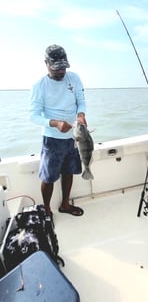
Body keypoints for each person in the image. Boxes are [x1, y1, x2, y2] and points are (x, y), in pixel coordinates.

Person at [30, 44, 87, 216]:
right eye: (56, 68)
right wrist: (55, 124)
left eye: (63, 67)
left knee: (69, 171)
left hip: (73, 137)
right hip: (52, 139)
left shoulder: (74, 78)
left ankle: (65, 205)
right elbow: (34, 116)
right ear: (46, 63)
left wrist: (81, 115)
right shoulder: (39, 85)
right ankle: (47, 211)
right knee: (48, 178)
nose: (61, 71)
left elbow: (81, 101)